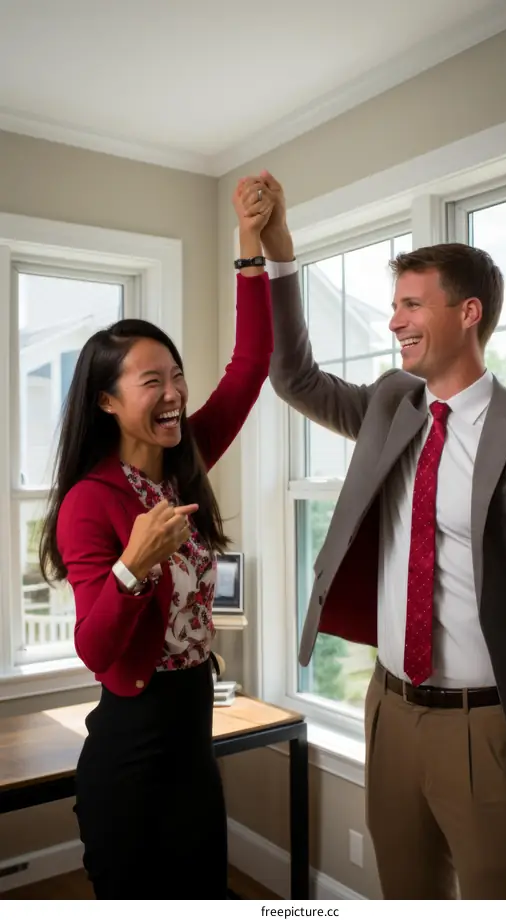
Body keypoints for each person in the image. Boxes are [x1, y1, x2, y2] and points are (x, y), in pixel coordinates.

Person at [237, 171, 506, 899]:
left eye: (410, 304)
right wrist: (276, 251)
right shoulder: (389, 405)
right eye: (394, 305)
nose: (395, 321)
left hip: (487, 725)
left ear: (468, 313)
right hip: (390, 710)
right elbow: (293, 377)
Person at [39, 181, 275, 900]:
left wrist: (249, 245)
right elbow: (96, 650)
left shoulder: (186, 461)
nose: (173, 392)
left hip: (191, 738)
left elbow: (251, 366)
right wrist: (132, 568)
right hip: (132, 751)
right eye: (152, 381)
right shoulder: (90, 502)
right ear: (107, 402)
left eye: (176, 375)